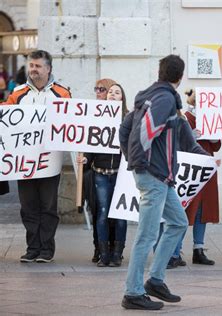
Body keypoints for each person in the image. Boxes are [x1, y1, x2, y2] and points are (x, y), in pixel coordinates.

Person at [119, 54, 190, 311]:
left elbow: (125, 130)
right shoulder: (165, 98)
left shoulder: (147, 96)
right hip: (155, 175)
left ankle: (156, 280)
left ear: (160, 73)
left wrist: (134, 160)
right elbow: (145, 132)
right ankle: (133, 292)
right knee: (146, 236)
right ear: (179, 78)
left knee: (179, 223)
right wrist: (140, 163)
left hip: (160, 176)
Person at [3, 50, 71, 263]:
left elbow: (71, 122)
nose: (33, 69)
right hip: (23, 162)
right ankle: (32, 248)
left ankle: (46, 249)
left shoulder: (62, 94)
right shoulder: (18, 93)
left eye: (38, 66)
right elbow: (6, 118)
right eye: (31, 66)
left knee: (48, 207)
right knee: (28, 206)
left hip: (50, 161)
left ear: (48, 69)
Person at [166, 88, 221, 268]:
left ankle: (199, 248)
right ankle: (176, 250)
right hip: (190, 167)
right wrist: (193, 136)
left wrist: (214, 138)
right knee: (186, 207)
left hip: (207, 165)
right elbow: (179, 143)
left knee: (203, 209)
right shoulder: (185, 118)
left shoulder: (212, 117)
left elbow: (218, 145)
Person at [77, 83, 128, 267]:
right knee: (102, 214)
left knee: (120, 215)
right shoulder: (96, 118)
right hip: (100, 174)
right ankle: (103, 254)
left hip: (120, 175)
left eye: (117, 93)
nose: (113, 95)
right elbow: (91, 144)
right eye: (111, 92)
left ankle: (117, 254)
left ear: (122, 98)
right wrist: (86, 159)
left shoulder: (127, 119)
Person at [87, 78, 118, 264]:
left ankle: (114, 248)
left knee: (112, 213)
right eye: (96, 89)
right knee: (97, 210)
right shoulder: (92, 113)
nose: (98, 92)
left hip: (114, 171)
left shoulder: (122, 114)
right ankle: (99, 248)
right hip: (95, 170)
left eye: (102, 89)